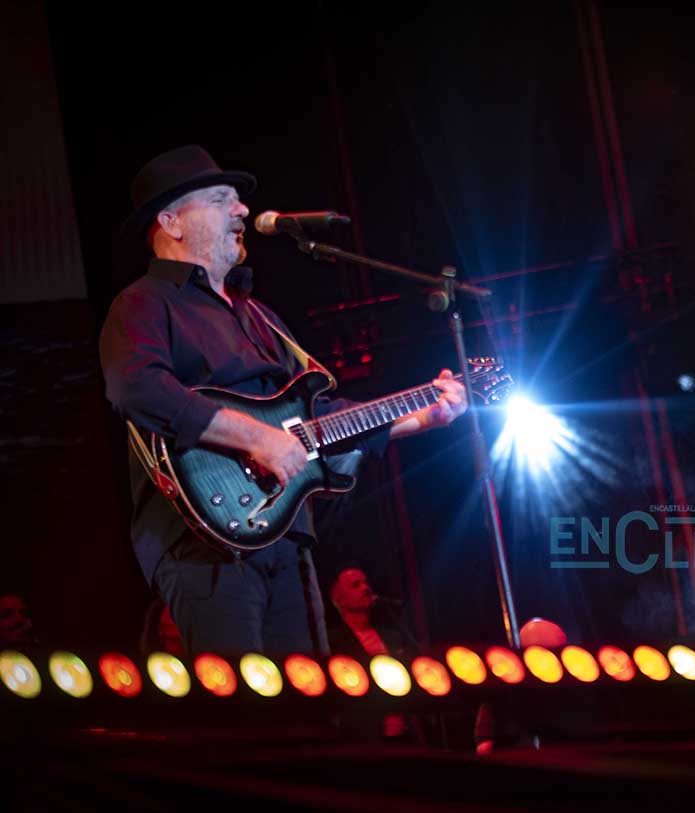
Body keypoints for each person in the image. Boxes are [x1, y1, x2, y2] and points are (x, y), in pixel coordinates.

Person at [99, 145, 467, 658]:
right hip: (203, 540)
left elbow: (316, 422)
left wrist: (423, 414)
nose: (242, 210)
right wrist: (257, 438)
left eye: (238, 200)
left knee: (307, 693)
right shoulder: (143, 302)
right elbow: (135, 387)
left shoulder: (261, 317)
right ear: (171, 222)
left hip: (287, 534)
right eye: (221, 199)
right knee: (244, 699)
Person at [326, 565, 415, 659]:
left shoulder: (394, 637)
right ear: (340, 599)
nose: (365, 588)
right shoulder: (333, 643)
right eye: (356, 585)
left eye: (366, 583)